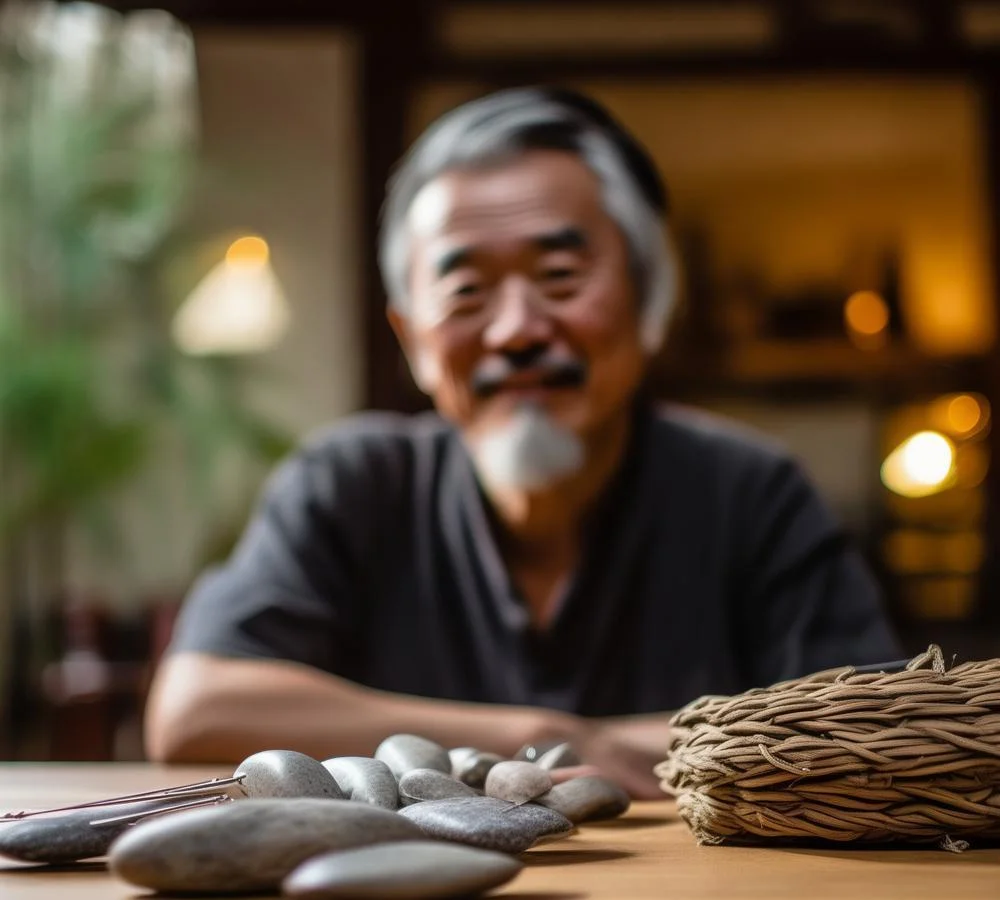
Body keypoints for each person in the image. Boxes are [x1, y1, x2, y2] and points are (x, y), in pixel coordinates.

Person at [144, 87, 900, 797]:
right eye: (467, 291)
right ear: (411, 338)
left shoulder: (750, 492)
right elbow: (196, 711)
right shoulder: (352, 481)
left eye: (561, 276)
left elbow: (878, 733)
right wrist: (548, 738)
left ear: (651, 301)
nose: (516, 331)